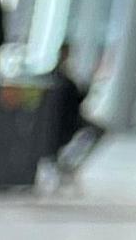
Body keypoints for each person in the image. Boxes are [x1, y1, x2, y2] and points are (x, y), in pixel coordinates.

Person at [41, 46, 104, 188]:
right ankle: (67, 164)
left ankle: (67, 163)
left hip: (58, 123)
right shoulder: (64, 80)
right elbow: (77, 100)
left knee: (96, 130)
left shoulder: (51, 77)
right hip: (66, 123)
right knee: (98, 131)